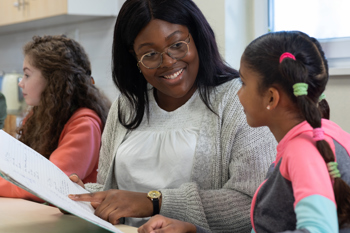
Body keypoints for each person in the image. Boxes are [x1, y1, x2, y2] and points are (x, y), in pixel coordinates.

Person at [68, 0, 277, 232]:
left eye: (177, 44)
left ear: (197, 37)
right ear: (133, 58)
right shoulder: (126, 105)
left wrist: (154, 202)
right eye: (149, 54)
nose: (167, 62)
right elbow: (114, 190)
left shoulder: (238, 100)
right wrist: (83, 197)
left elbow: (255, 204)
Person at [138, 31, 350, 232]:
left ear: (271, 98)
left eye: (244, 83)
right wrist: (193, 231)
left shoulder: (303, 152)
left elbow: (319, 230)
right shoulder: (327, 136)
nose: (238, 94)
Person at [0, 35, 111, 203]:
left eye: (27, 75)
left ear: (53, 80)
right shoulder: (39, 116)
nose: (21, 83)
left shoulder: (84, 125)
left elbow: (46, 185)